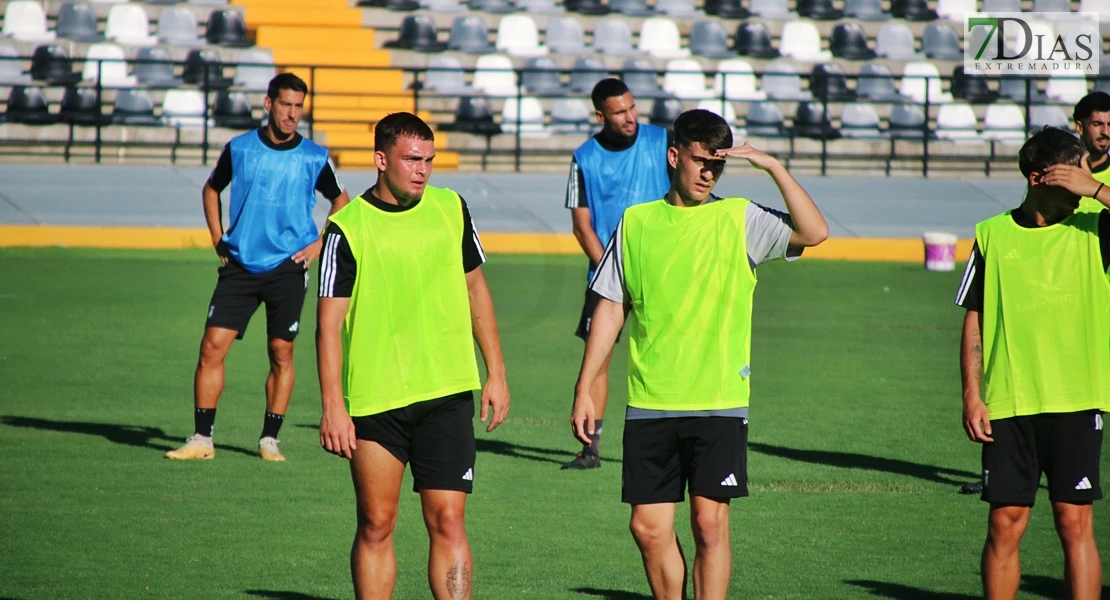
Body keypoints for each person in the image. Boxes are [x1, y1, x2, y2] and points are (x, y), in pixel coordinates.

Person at [571, 109, 828, 600]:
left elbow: (814, 232)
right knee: (648, 529)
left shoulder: (740, 218)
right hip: (651, 401)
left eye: (718, 164)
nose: (709, 172)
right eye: (700, 161)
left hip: (718, 401)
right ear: (674, 157)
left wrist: (774, 168)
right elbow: (610, 307)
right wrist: (586, 387)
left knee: (709, 525)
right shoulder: (637, 222)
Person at [315, 112, 510, 600]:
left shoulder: (451, 208)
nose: (422, 170)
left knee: (449, 519)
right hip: (376, 402)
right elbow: (328, 326)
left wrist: (497, 373)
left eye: (429, 160)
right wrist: (333, 406)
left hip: (445, 393)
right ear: (381, 160)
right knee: (377, 523)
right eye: (411, 160)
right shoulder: (346, 228)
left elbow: (475, 290)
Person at [955, 126, 1106, 600]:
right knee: (1005, 522)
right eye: (1074, 172)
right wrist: (971, 393)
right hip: (1008, 401)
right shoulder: (991, 235)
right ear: (1040, 177)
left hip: (1077, 398)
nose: (1084, 179)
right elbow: (974, 320)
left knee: (1073, 519)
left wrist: (1098, 190)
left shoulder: (1096, 226)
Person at [166, 73, 350, 462]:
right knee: (212, 347)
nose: (293, 114)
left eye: (299, 106)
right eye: (286, 104)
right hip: (241, 266)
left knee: (281, 352)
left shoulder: (314, 157)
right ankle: (202, 438)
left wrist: (319, 242)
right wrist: (218, 238)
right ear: (268, 104)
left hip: (288, 267)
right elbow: (212, 188)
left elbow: (342, 201)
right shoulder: (241, 149)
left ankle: (270, 439)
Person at [562, 78, 672, 470]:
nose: (630, 117)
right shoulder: (583, 158)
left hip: (663, 270)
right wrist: (612, 271)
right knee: (599, 358)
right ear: (600, 115)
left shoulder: (663, 142)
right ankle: (591, 449)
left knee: (668, 354)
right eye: (619, 111)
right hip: (607, 276)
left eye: (631, 107)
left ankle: (669, 438)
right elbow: (581, 225)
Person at [1074, 91, 1110, 213]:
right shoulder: (1061, 172)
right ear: (1079, 127)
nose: (1106, 132)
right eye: (1097, 124)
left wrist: (1095, 188)